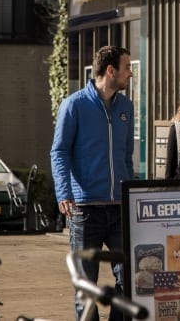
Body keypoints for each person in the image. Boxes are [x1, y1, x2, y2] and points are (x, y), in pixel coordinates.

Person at [50, 45, 134, 321]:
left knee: (131, 280)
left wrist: (130, 192)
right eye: (126, 68)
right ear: (110, 71)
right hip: (85, 210)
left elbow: (126, 156)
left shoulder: (126, 106)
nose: (130, 74)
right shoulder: (74, 105)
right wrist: (64, 192)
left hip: (120, 208)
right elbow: (59, 151)